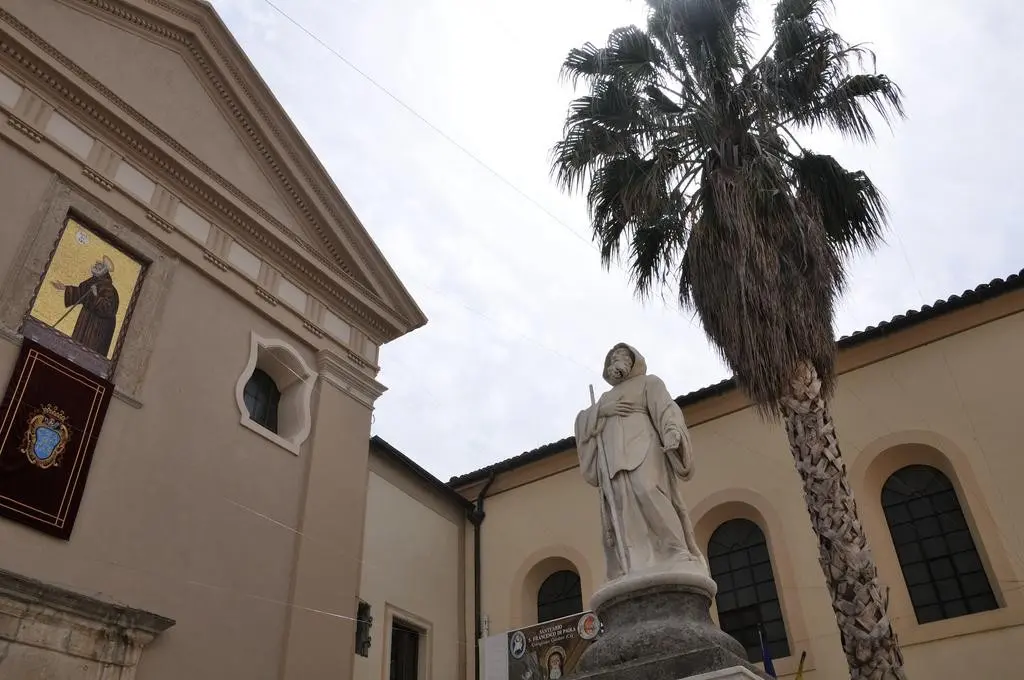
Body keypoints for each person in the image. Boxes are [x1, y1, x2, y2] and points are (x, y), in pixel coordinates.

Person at [574, 343, 704, 581]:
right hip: (614, 455)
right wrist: (601, 411)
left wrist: (672, 431)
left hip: (644, 444)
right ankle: (634, 561)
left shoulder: (649, 383)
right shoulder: (604, 399)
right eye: (613, 357)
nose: (617, 359)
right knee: (622, 503)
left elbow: (666, 409)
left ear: (633, 360)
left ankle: (676, 550)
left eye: (622, 355)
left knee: (648, 489)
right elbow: (583, 422)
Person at [51, 255, 119, 356]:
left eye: (99, 267)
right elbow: (82, 292)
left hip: (98, 326)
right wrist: (64, 288)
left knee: (90, 352)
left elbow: (108, 309)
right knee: (77, 347)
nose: (95, 266)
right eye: (96, 265)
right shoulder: (94, 281)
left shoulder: (109, 289)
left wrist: (95, 295)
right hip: (86, 320)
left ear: (104, 271)